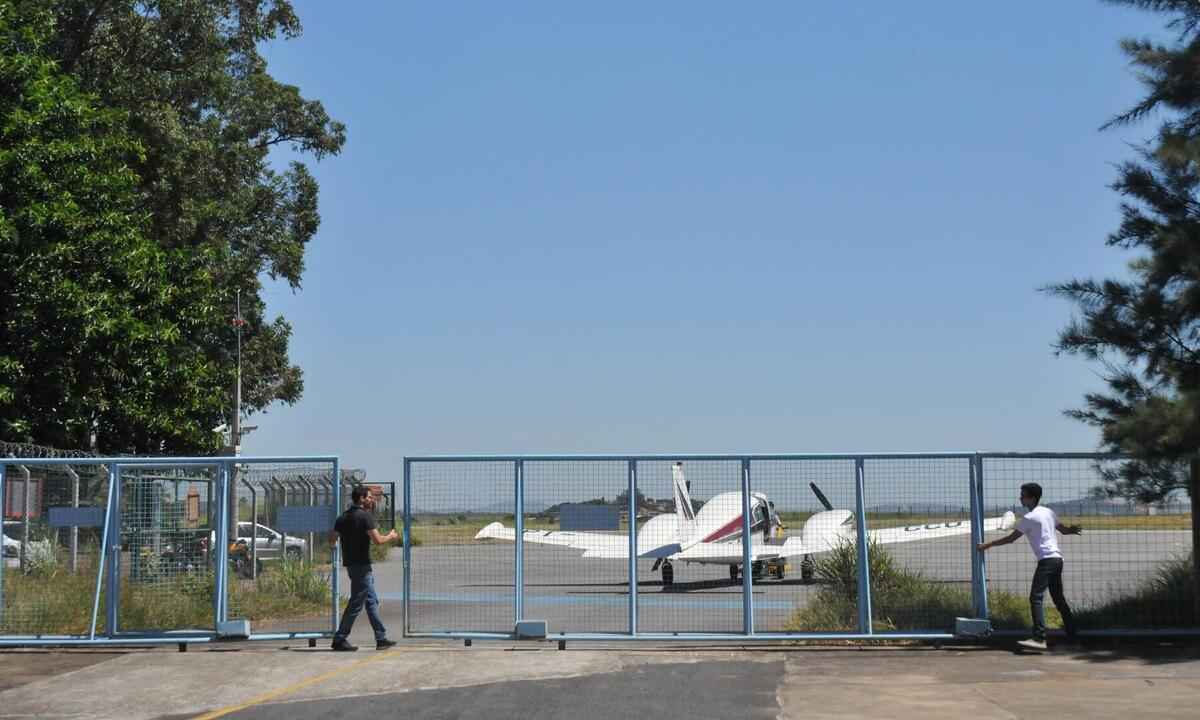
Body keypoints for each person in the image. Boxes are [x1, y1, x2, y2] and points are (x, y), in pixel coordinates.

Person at [977, 482, 1081, 651]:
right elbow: (1063, 530)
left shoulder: (1029, 518)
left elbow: (1010, 539)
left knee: (1036, 597)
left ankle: (1039, 638)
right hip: (1057, 560)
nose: (1020, 497)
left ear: (1032, 498)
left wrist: (987, 545)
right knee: (1059, 600)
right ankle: (1073, 637)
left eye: (1023, 495)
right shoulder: (1048, 512)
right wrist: (1073, 529)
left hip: (1047, 561)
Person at [329, 485, 399, 651]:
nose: (371, 500)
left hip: (352, 565)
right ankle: (339, 638)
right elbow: (378, 540)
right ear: (361, 498)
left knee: (371, 601)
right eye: (369, 497)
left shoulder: (342, 517)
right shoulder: (365, 517)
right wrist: (391, 536)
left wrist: (336, 548)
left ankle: (381, 638)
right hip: (362, 566)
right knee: (356, 603)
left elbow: (332, 538)